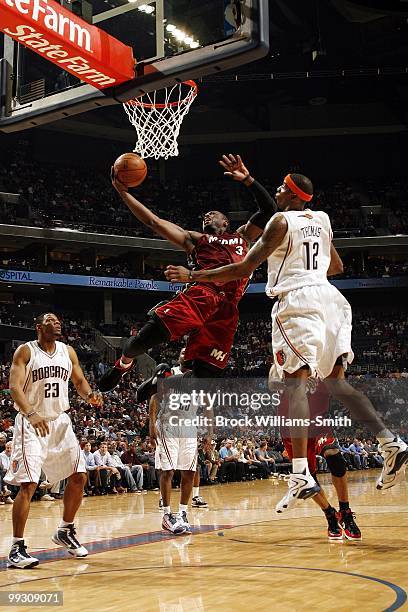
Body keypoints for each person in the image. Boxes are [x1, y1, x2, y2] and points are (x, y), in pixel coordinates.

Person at [165, 172, 408, 511]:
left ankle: (299, 474)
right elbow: (334, 266)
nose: (277, 192)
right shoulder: (322, 220)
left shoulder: (280, 221)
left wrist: (193, 275)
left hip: (298, 302)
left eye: (281, 188)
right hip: (332, 299)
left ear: (293, 196)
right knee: (337, 384)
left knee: (295, 384)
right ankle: (390, 441)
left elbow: (243, 267)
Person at [98, 154, 276, 392]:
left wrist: (248, 180)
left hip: (227, 309)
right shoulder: (195, 240)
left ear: (226, 223)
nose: (207, 216)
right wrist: (123, 193)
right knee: (141, 342)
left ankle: (160, 382)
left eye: (213, 214)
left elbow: (269, 209)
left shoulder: (243, 236)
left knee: (203, 382)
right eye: (205, 216)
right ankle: (123, 364)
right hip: (201, 294)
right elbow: (154, 221)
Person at [4, 312, 103, 568]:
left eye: (58, 320)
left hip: (60, 421)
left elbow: (79, 381)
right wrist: (32, 413)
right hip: (31, 422)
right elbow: (14, 387)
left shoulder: (68, 351)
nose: (57, 322)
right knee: (28, 484)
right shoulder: (25, 352)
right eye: (51, 320)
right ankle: (16, 548)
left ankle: (65, 530)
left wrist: (90, 396)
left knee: (79, 476)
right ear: (39, 327)